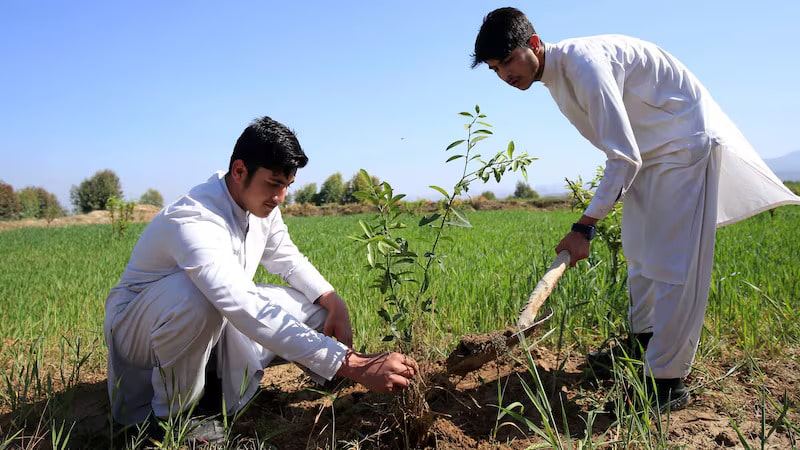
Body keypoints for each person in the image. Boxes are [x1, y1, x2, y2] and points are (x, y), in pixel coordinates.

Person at [470, 7, 800, 412]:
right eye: (495, 69)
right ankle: (642, 341)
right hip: (649, 154)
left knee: (675, 265)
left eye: (508, 61)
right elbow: (625, 152)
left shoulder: (583, 65)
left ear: (534, 45)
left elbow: (621, 157)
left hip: (683, 143)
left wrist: (584, 227)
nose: (505, 75)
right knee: (640, 252)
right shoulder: (556, 80)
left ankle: (666, 383)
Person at [104, 116, 419, 442]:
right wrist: (353, 363)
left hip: (216, 315)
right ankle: (174, 418)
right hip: (139, 331)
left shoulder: (259, 206)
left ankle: (326, 374)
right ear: (239, 171)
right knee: (197, 298)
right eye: (274, 184)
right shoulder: (194, 219)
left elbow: (287, 258)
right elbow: (241, 304)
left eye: (287, 186)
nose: (281, 196)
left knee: (319, 312)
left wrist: (331, 298)